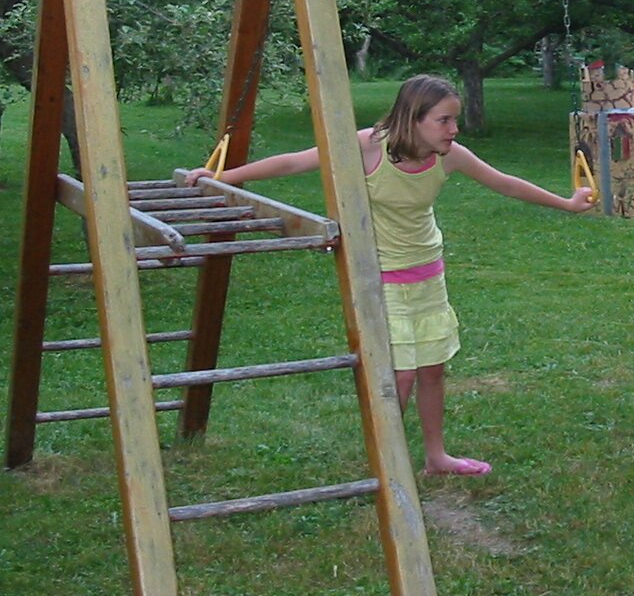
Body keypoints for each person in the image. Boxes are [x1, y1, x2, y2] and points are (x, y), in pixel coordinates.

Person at [185, 75, 594, 477]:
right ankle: (388, 467)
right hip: (381, 276)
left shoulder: (449, 155)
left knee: (432, 369)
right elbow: (296, 161)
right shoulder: (368, 146)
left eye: (454, 119)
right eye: (444, 120)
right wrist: (221, 177)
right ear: (413, 118)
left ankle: (436, 457)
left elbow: (505, 184)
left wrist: (567, 203)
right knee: (400, 375)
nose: (454, 129)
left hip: (428, 271)